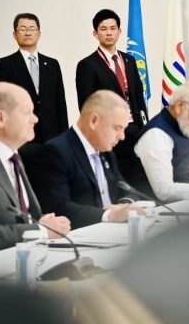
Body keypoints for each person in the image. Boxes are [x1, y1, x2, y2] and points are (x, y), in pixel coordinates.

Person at [27, 90, 144, 229]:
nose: (122, 136)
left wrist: (125, 205)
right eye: (117, 128)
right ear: (94, 121)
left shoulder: (106, 153)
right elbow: (59, 207)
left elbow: (125, 188)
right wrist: (109, 215)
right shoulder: (56, 152)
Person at [0, 82, 70, 254]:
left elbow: (27, 216)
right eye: (27, 112)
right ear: (0, 118)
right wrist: (41, 230)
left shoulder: (14, 155)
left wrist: (45, 223)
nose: (35, 119)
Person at [75, 9, 149, 194]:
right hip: (108, 133)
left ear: (119, 31)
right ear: (95, 33)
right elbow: (86, 105)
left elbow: (138, 96)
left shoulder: (129, 60)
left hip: (134, 128)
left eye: (112, 28)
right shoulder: (87, 65)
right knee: (118, 181)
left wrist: (144, 126)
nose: (109, 33)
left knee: (139, 177)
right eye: (103, 29)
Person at [0, 13, 68, 144]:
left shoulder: (52, 64)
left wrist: (65, 137)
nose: (28, 33)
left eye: (32, 29)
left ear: (39, 33)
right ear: (14, 35)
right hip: (19, 135)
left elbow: (60, 103)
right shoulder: (4, 65)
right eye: (23, 29)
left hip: (52, 135)